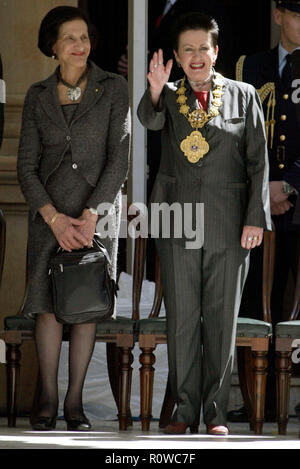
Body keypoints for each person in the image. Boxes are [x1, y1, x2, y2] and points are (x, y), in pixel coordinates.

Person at [137, 12, 271, 436]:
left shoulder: (244, 95)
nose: (197, 57)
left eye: (204, 48)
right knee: (181, 319)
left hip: (229, 224)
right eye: (188, 49)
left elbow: (258, 164)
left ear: (217, 52)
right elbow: (150, 121)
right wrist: (155, 92)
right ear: (177, 55)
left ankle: (214, 413)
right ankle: (183, 409)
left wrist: (256, 219)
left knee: (220, 319)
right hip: (177, 221)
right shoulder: (169, 95)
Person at [17, 6, 130, 431]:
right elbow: (25, 167)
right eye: (70, 38)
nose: (79, 46)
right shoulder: (36, 95)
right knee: (47, 308)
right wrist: (54, 219)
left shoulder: (113, 86)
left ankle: (75, 402)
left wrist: (88, 217)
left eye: (84, 37)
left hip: (95, 216)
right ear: (53, 46)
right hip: (49, 217)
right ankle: (45, 398)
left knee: (85, 307)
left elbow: (120, 156)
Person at [229, 0, 300, 423]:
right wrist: (264, 184)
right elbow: (234, 131)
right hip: (255, 203)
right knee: (254, 295)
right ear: (278, 15)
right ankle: (258, 399)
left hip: (297, 197)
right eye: (297, 13)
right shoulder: (246, 66)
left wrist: (288, 180)